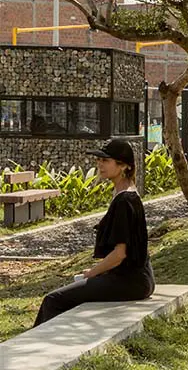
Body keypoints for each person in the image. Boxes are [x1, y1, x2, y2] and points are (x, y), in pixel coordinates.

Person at [34, 138, 155, 325]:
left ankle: (39, 348)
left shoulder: (125, 201)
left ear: (123, 166)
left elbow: (120, 254)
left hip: (130, 282)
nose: (99, 164)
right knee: (66, 296)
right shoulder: (124, 193)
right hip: (135, 278)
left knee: (53, 300)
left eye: (106, 161)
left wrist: (92, 273)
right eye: (99, 160)